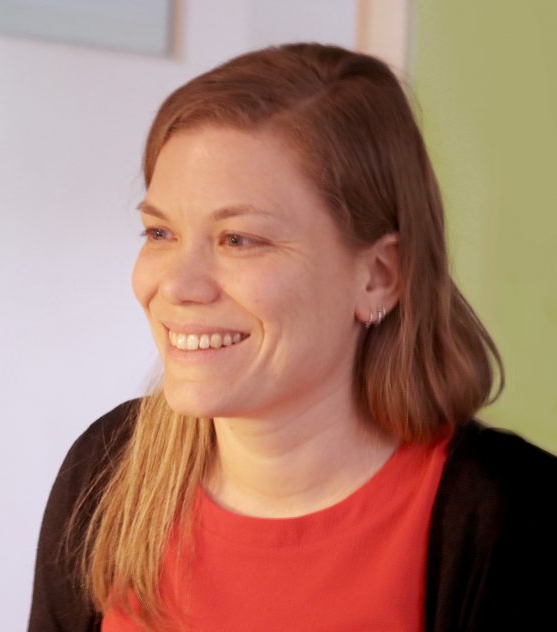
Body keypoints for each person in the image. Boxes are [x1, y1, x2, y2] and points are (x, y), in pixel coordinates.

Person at [28, 43, 557, 632]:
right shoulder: (107, 470)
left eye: (239, 240)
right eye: (159, 232)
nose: (177, 285)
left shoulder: (511, 519)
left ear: (379, 277)